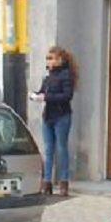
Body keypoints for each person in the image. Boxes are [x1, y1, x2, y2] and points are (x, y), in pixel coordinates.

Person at [33, 46, 77, 196]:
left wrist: (45, 97)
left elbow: (66, 96)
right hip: (48, 116)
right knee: (48, 149)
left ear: (60, 60)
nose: (49, 61)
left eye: (51, 58)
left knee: (61, 148)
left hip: (62, 116)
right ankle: (47, 182)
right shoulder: (48, 77)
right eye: (48, 58)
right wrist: (35, 95)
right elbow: (42, 92)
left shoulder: (66, 76)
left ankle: (64, 182)